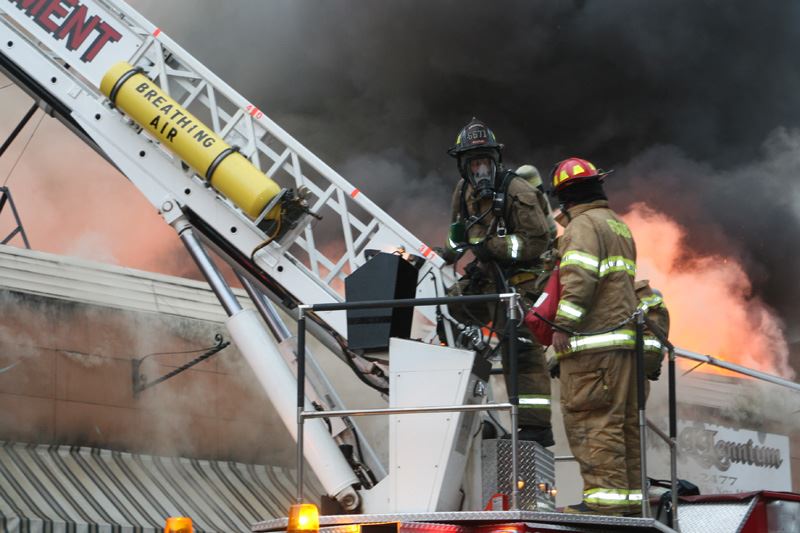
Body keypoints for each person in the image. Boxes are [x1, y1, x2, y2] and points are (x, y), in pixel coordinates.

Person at [440, 118, 554, 447]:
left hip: (523, 280)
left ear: (496, 161)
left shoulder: (517, 192)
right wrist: (449, 253)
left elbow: (537, 242)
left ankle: (535, 428)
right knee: (453, 304)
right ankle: (466, 379)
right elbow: (457, 232)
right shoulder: (462, 193)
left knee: (519, 347)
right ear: (463, 165)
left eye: (484, 162)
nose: (480, 170)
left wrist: (495, 248)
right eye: (473, 163)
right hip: (489, 278)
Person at [548, 157, 641, 515]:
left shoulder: (583, 226)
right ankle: (629, 505)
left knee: (594, 424)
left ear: (564, 197)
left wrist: (562, 327)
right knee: (622, 427)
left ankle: (603, 507)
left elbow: (580, 279)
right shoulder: (617, 226)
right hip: (621, 345)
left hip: (592, 347)